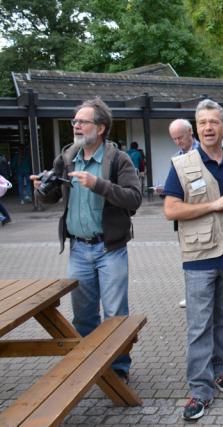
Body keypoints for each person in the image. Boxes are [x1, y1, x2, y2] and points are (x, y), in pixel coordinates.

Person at [31, 97, 142, 383]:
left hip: (110, 249)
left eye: (83, 121)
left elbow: (134, 199)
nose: (76, 126)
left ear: (101, 127)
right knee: (82, 316)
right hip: (78, 249)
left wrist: (99, 185)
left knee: (115, 314)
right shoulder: (67, 156)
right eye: (75, 121)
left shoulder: (118, 159)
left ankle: (118, 370)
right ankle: (89, 367)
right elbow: (52, 196)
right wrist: (41, 188)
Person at [163, 99, 223, 421]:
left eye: (214, 122)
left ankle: (218, 369)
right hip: (199, 257)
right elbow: (171, 209)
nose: (208, 128)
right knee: (200, 326)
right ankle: (200, 389)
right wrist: (213, 205)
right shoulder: (181, 165)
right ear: (196, 127)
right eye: (202, 123)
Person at [169, 118, 200, 308]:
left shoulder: (203, 152)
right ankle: (192, 294)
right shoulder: (176, 157)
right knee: (188, 256)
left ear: (190, 132)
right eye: (174, 139)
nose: (178, 142)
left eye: (180, 137)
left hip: (203, 210)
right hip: (184, 213)